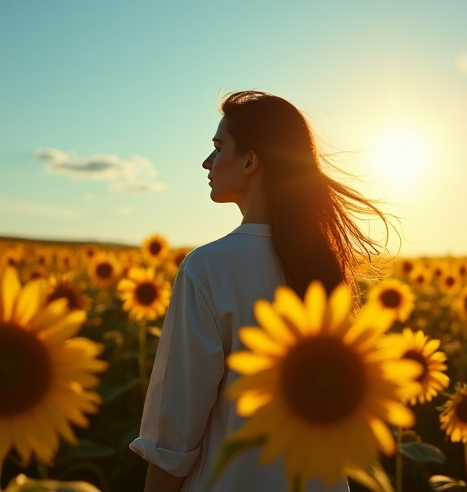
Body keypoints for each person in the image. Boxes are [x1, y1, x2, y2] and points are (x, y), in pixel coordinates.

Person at [129, 91, 391, 492]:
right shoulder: (325, 268)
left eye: (218, 148)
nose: (207, 162)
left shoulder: (208, 268)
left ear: (251, 161)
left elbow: (174, 432)